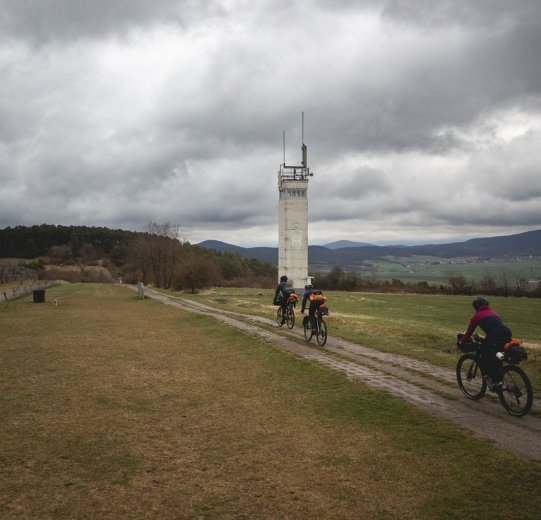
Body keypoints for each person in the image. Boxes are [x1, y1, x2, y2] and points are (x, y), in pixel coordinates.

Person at [459, 297, 512, 391]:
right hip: (507, 334)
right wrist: (486, 339)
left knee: (483, 356)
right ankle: (498, 379)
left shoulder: (477, 316)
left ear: (476, 307)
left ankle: (496, 382)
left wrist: (462, 342)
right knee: (495, 356)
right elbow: (494, 329)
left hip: (495, 337)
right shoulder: (494, 313)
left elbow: (469, 332)